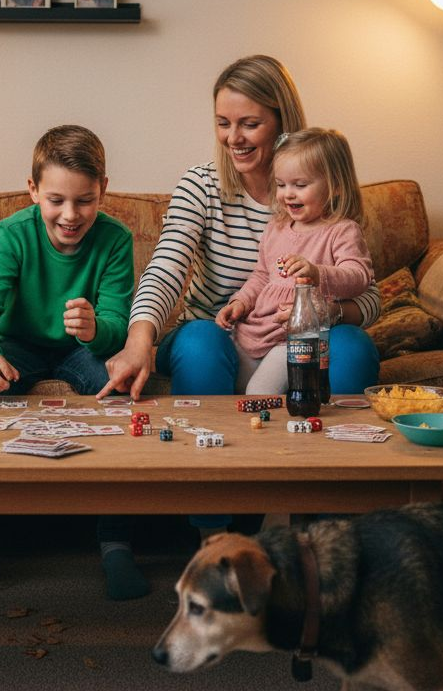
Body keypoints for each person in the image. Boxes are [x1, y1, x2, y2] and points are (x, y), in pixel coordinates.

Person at [97, 55, 381, 539]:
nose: (235, 138)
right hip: (223, 335)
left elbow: (367, 294)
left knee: (351, 343)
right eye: (224, 124)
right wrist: (140, 339)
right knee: (202, 340)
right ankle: (214, 529)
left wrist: (325, 308)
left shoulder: (320, 199)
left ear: (281, 124)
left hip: (298, 336)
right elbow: (167, 267)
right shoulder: (203, 185)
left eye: (250, 124)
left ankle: (322, 522)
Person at [0, 124, 146, 603]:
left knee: (119, 395)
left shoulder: (114, 239)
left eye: (84, 201)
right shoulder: (12, 234)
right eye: (56, 200)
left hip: (82, 349)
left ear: (103, 190)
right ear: (33, 191)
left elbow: (116, 322)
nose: (70, 215)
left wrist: (97, 329)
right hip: (18, 345)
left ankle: (116, 540)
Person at [215, 128, 374, 394]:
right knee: (234, 392)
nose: (288, 194)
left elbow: (359, 276)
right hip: (254, 330)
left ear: (335, 186)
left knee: (259, 393)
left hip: (295, 337)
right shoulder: (276, 227)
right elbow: (262, 275)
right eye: (281, 184)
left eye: (300, 185)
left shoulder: (342, 230)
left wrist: (318, 273)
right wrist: (240, 302)